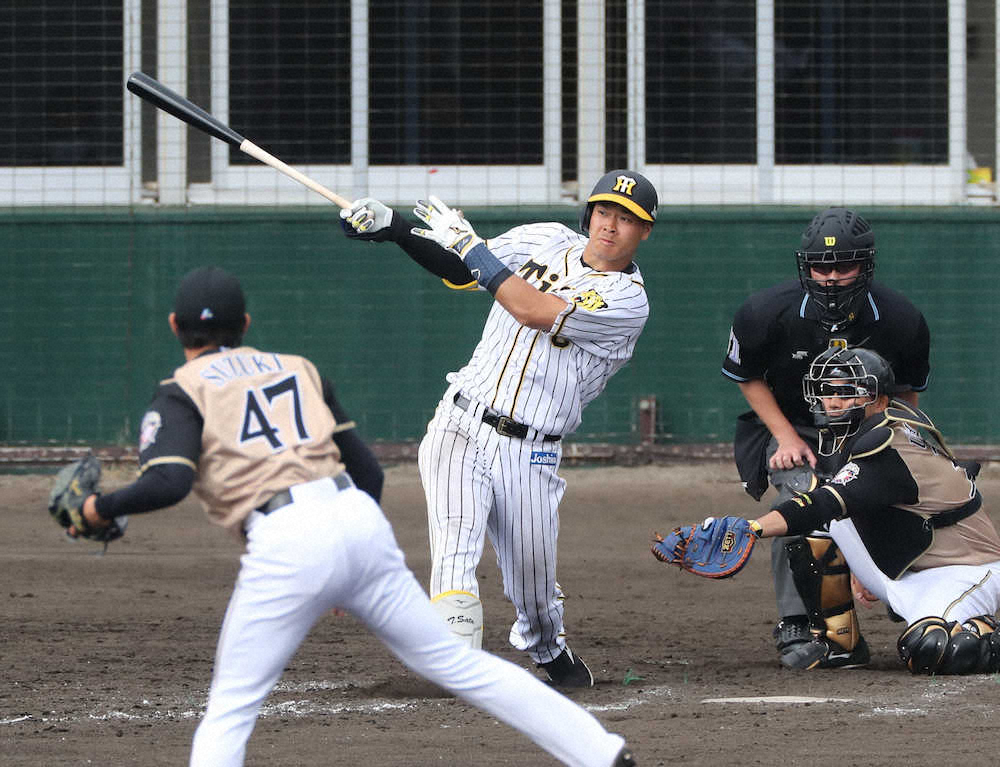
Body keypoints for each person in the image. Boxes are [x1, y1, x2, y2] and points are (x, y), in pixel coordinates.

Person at [68, 266, 639, 767]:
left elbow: (169, 481)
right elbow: (369, 473)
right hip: (355, 519)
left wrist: (99, 507)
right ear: (246, 325)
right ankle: (603, 752)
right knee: (462, 667)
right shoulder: (298, 368)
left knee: (232, 705)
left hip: (287, 541)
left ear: (174, 326)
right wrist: (351, 565)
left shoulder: (180, 389)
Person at [340, 170, 658, 687]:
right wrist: (396, 229)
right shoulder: (547, 238)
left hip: (531, 450)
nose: (611, 225)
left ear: (644, 232)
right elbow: (465, 270)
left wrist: (469, 244)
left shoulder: (627, 301)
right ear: (590, 213)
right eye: (605, 212)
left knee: (533, 587)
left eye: (628, 219)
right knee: (454, 549)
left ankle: (546, 645)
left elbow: (531, 308)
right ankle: (454, 665)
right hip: (461, 421)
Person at [721, 207, 931, 670]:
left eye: (843, 266)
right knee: (804, 494)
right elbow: (748, 376)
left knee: (906, 494)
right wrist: (785, 439)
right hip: (790, 425)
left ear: (866, 265)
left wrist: (896, 452)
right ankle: (798, 621)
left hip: (867, 429)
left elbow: (906, 396)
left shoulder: (899, 318)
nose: (831, 277)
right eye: (821, 266)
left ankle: (910, 596)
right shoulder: (765, 311)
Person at [744, 346, 1000, 675]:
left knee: (931, 650)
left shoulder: (887, 446)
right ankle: (840, 644)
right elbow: (847, 502)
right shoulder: (854, 434)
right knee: (815, 515)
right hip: (908, 568)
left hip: (965, 571)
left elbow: (824, 502)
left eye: (848, 392)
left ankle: (980, 629)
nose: (833, 402)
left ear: (878, 399)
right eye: (828, 392)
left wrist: (747, 529)